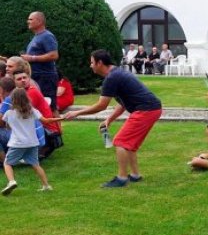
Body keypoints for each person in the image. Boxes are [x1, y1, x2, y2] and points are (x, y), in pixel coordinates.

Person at [62, 50, 164, 188]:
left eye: (92, 62)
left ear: (100, 63)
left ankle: (121, 178)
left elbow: (101, 106)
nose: (90, 66)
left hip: (146, 109)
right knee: (130, 144)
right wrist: (109, 120)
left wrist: (77, 113)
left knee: (121, 142)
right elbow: (122, 103)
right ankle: (135, 175)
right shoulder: (116, 73)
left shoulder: (112, 78)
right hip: (151, 108)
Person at [1, 88, 56, 194]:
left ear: (12, 100)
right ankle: (46, 186)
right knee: (35, 164)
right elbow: (46, 120)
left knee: (7, 163)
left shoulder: (8, 113)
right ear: (27, 98)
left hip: (17, 144)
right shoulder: (33, 112)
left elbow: (5, 125)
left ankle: (11, 181)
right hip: (32, 143)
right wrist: (60, 119)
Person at [22, 11, 59, 112]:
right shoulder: (36, 37)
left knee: (50, 107)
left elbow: (54, 55)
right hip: (37, 77)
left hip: (46, 77)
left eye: (30, 19)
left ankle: (56, 128)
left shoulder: (47, 36)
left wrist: (32, 58)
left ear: (39, 21)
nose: (28, 21)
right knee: (39, 107)